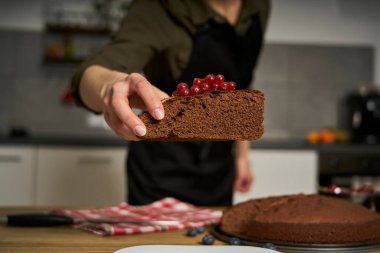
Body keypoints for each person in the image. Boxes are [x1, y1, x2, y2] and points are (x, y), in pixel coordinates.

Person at [71, 0, 270, 206]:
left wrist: (242, 157)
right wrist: (108, 86)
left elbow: (242, 82)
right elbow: (91, 74)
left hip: (218, 168)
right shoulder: (159, 7)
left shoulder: (258, 7)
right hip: (160, 171)